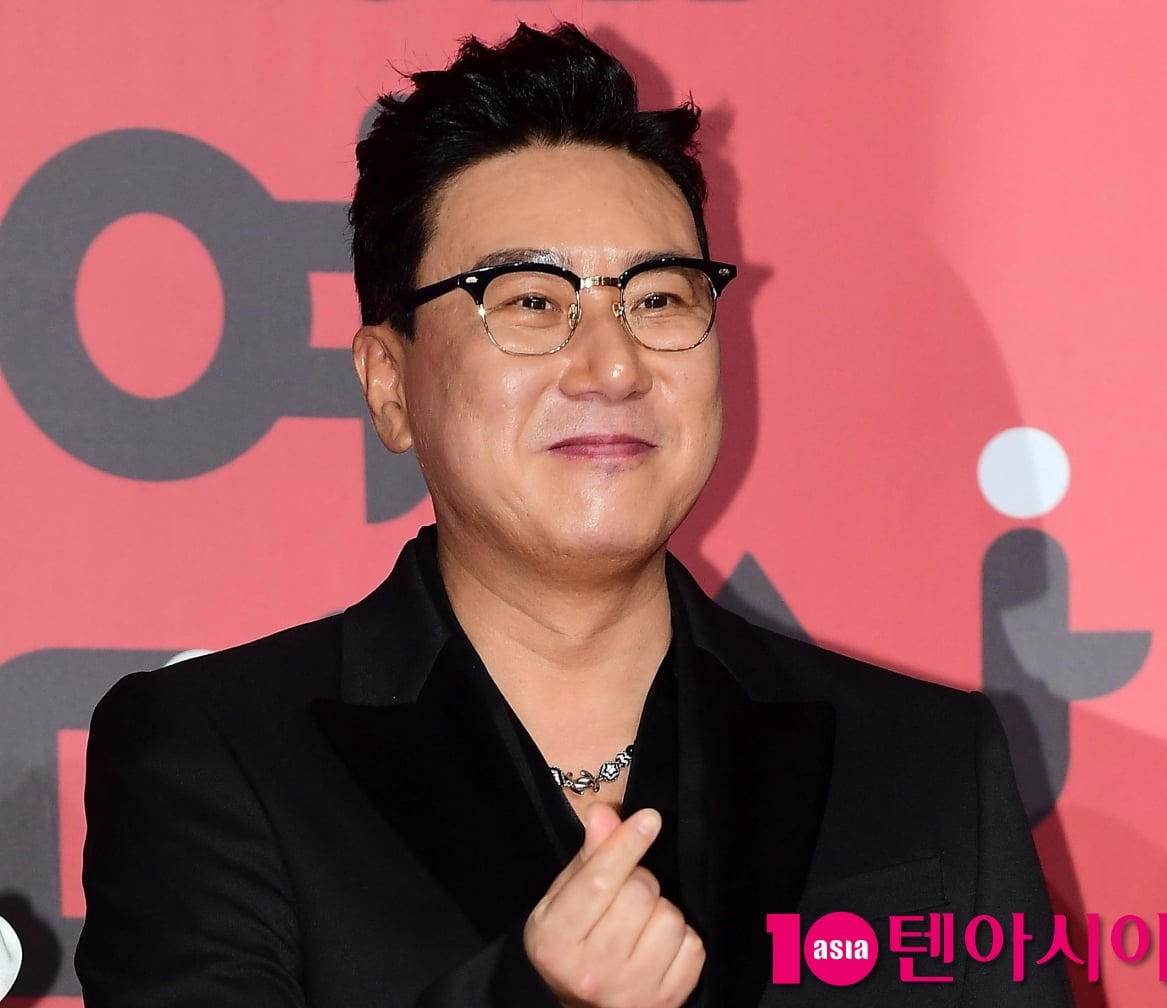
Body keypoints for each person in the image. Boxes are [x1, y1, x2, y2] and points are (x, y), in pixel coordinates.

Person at [75, 22, 1074, 1008]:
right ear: (389, 384)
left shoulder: (925, 759)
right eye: (530, 302)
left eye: (661, 299)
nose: (614, 365)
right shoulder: (214, 758)